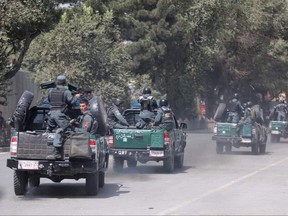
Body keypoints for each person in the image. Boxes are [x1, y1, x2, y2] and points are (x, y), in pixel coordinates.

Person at [46, 75, 81, 160]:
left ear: (56, 82)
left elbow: (49, 100)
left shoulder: (51, 91)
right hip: (60, 114)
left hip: (50, 114)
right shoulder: (66, 91)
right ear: (65, 82)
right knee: (64, 130)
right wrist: (76, 97)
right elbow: (72, 102)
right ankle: (57, 152)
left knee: (49, 131)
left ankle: (47, 148)